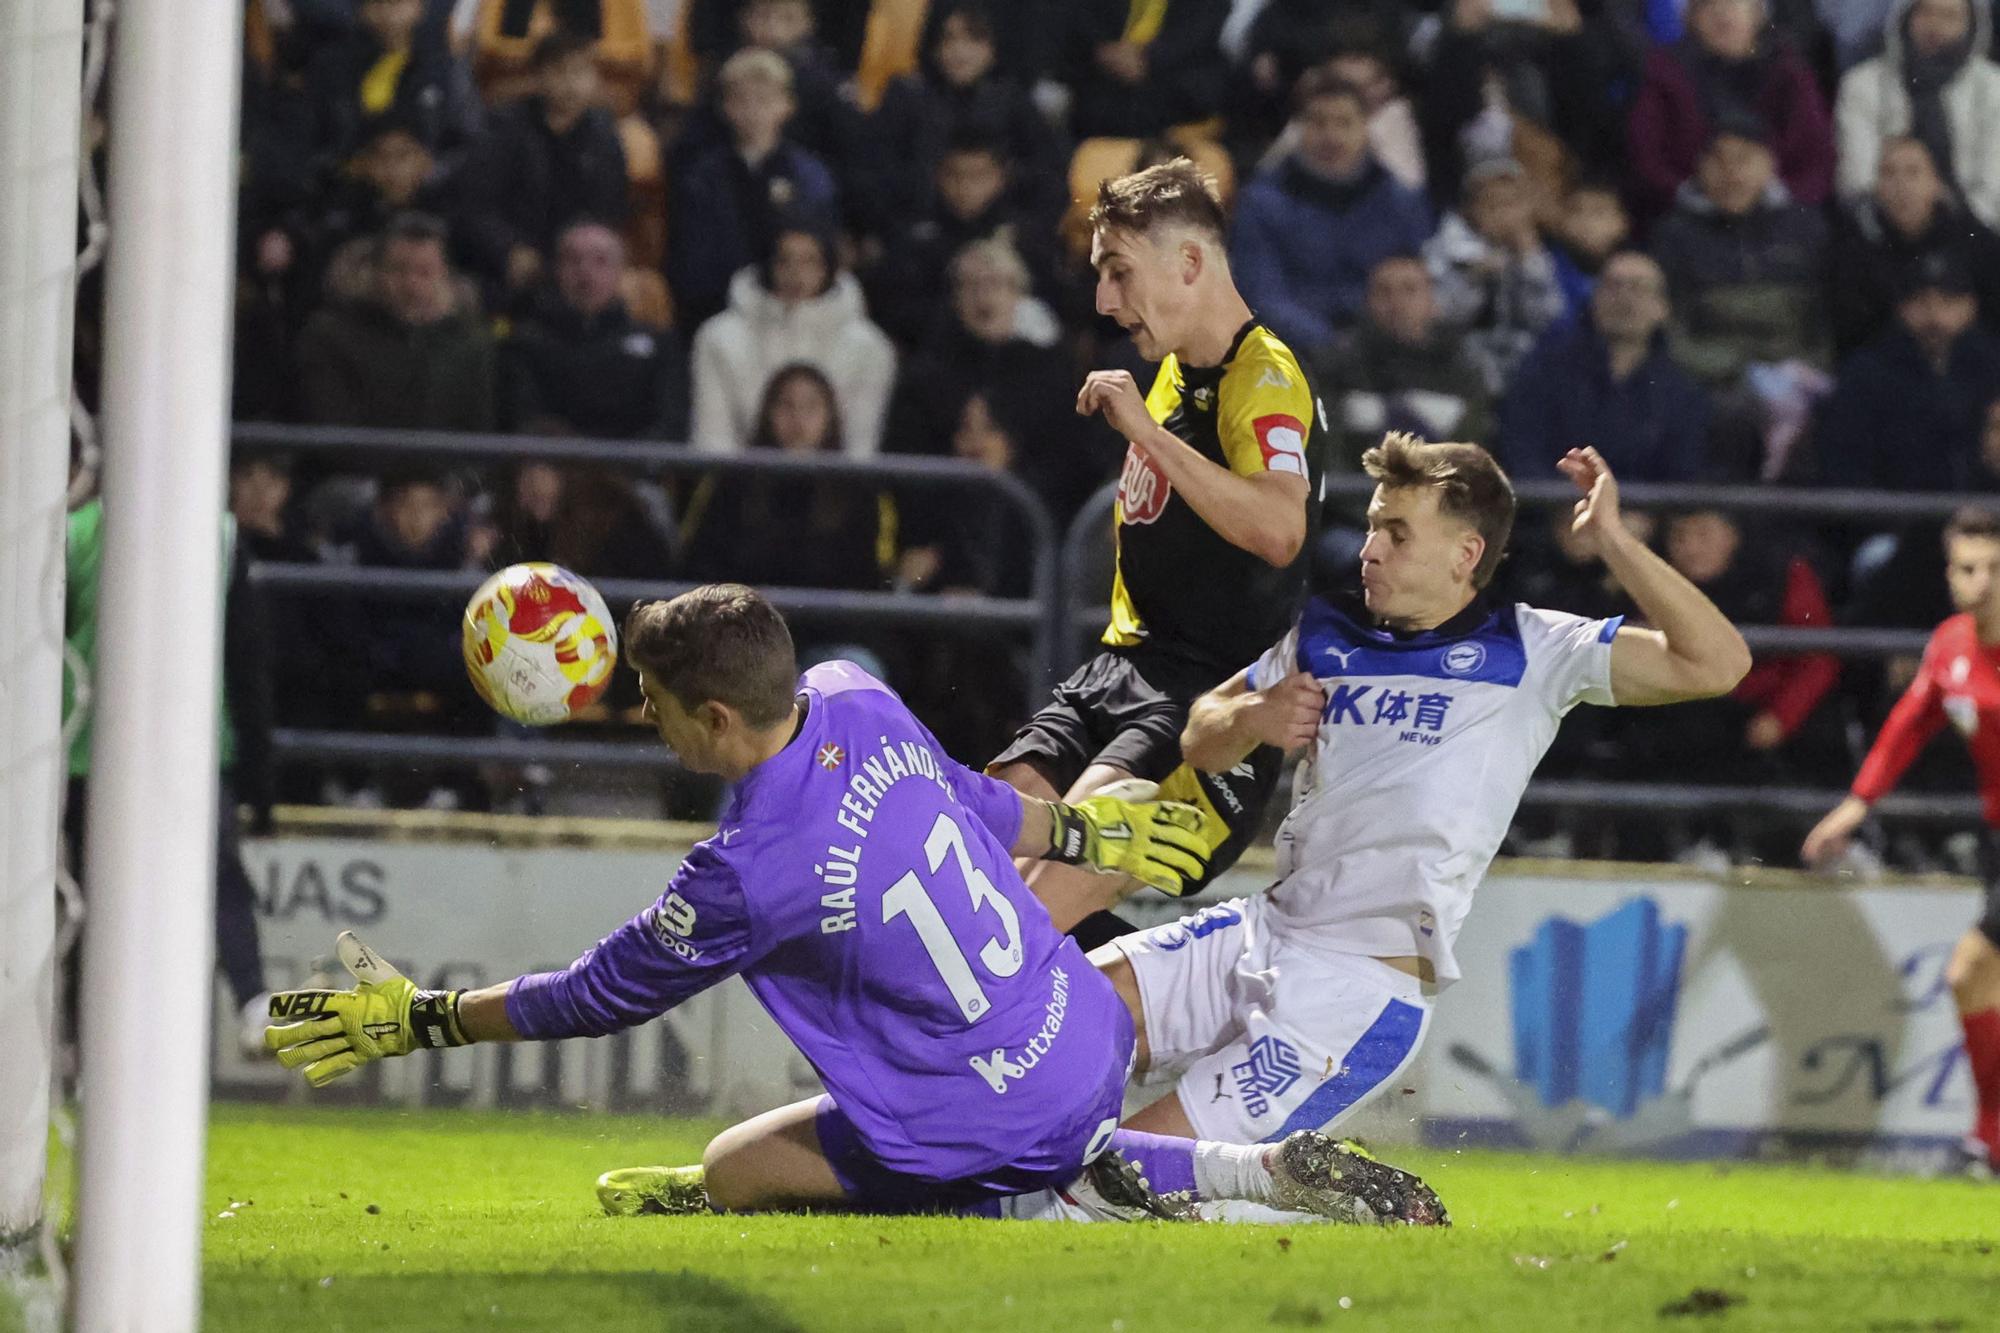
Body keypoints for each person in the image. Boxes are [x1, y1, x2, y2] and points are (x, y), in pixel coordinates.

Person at [265, 585, 1447, 1225]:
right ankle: (1219, 1165)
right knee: (823, 1143)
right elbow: (977, 802)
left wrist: (425, 1017)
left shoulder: (741, 871)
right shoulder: (854, 695)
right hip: (1075, 1023)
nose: (647, 718)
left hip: (992, 1112)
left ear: (714, 719)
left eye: (655, 702)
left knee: (733, 1171)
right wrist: (1085, 835)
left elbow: (595, 995)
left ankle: (1090, 1191)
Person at [1104, 435, 1749, 1148]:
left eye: (1397, 533)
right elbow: (1200, 735)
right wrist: (1252, 717)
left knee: (1124, 1173)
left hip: (1353, 991)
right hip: (1259, 930)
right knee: (1045, 1020)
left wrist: (1613, 541)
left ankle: (1242, 1192)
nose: (1368, 550)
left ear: (1465, 554)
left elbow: (1717, 664)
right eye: (1372, 526)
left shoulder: (1534, 648)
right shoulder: (1328, 631)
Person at [987, 159, 1326, 946]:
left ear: (1190, 262)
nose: (1104, 301)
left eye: (1119, 273)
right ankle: (1136, 1000)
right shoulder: (1173, 372)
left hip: (1205, 706)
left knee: (1019, 918)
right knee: (975, 844)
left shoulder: (1265, 376)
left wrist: (1143, 431)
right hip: (1118, 672)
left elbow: (1281, 529)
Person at [1801, 507, 2000, 1176]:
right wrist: (1857, 803)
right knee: (1973, 980)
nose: (1982, 582)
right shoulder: (1950, 645)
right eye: (1968, 568)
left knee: (1969, 973)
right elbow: (1909, 725)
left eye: (1995, 568)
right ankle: (1990, 1138)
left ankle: (1987, 1138)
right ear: (1949, 575)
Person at [1228, 69, 1433, 358]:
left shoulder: (1400, 201)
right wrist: (1330, 345)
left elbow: (1423, 282)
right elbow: (1262, 296)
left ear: (1365, 129)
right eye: (1318, 123)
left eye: (1344, 123)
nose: (1332, 136)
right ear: (1298, 129)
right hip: (1296, 355)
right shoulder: (1260, 203)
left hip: (1392, 350)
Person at [1499, 251, 1711, 484]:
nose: (1624, 299)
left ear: (1663, 307)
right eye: (1613, 286)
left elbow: (1683, 476)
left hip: (1644, 506)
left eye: (1638, 288)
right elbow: (1523, 454)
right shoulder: (1544, 371)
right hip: (1558, 502)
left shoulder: (1682, 392)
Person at [666, 48, 840, 329]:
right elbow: (692, 253)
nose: (753, 112)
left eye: (765, 100)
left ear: (787, 105)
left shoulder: (809, 175)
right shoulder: (703, 175)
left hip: (789, 307)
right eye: (742, 100)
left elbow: (816, 244)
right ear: (725, 107)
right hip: (717, 309)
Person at [688, 225, 898, 455]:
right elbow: (713, 440)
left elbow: (860, 447)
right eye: (784, 260)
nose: (796, 273)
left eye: (809, 261)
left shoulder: (869, 347)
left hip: (834, 475)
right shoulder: (719, 338)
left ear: (828, 268)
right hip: (744, 474)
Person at [455, 30, 629, 307]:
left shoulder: (604, 136)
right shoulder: (504, 128)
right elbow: (475, 207)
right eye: (559, 72)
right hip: (511, 261)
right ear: (538, 76)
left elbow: (611, 210)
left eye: (581, 72)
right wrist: (509, 249)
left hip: (578, 259)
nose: (571, 84)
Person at [1626, 0, 1834, 221]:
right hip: (1685, 216)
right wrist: (1689, 195)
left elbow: (1817, 158)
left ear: (1758, 13)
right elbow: (1646, 159)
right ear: (1690, 18)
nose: (1723, 15)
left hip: (1784, 214)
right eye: (1708, 5)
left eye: (1734, 2)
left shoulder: (1790, 72)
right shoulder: (1666, 75)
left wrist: (1777, 194)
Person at [295, 212, 497, 432]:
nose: (411, 284)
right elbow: (331, 427)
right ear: (375, 271)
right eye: (398, 270)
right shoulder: (330, 336)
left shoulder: (469, 343)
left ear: (445, 276)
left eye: (425, 272)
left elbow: (478, 428)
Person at [501, 219, 689, 440]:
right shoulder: (526, 343)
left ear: (621, 271)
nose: (585, 272)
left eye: (601, 260)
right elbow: (522, 418)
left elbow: (671, 423)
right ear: (557, 269)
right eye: (573, 260)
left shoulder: (659, 345)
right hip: (553, 458)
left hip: (636, 459)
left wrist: (624, 458)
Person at [1315, 254, 1493, 473]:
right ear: (1367, 302)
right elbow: (1327, 451)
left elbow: (1475, 452)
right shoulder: (1336, 368)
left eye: (1410, 290)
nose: (1396, 303)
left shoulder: (1464, 371)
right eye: (1384, 292)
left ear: (1432, 302)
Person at [1835, 0, 2000, 229]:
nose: (1935, 25)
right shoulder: (1863, 83)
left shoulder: (1993, 87)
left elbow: (1993, 182)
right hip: (1882, 224)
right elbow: (1858, 178)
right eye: (1926, 12)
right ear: (1905, 17)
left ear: (1972, 25)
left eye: (1949, 16)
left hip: (1975, 225)